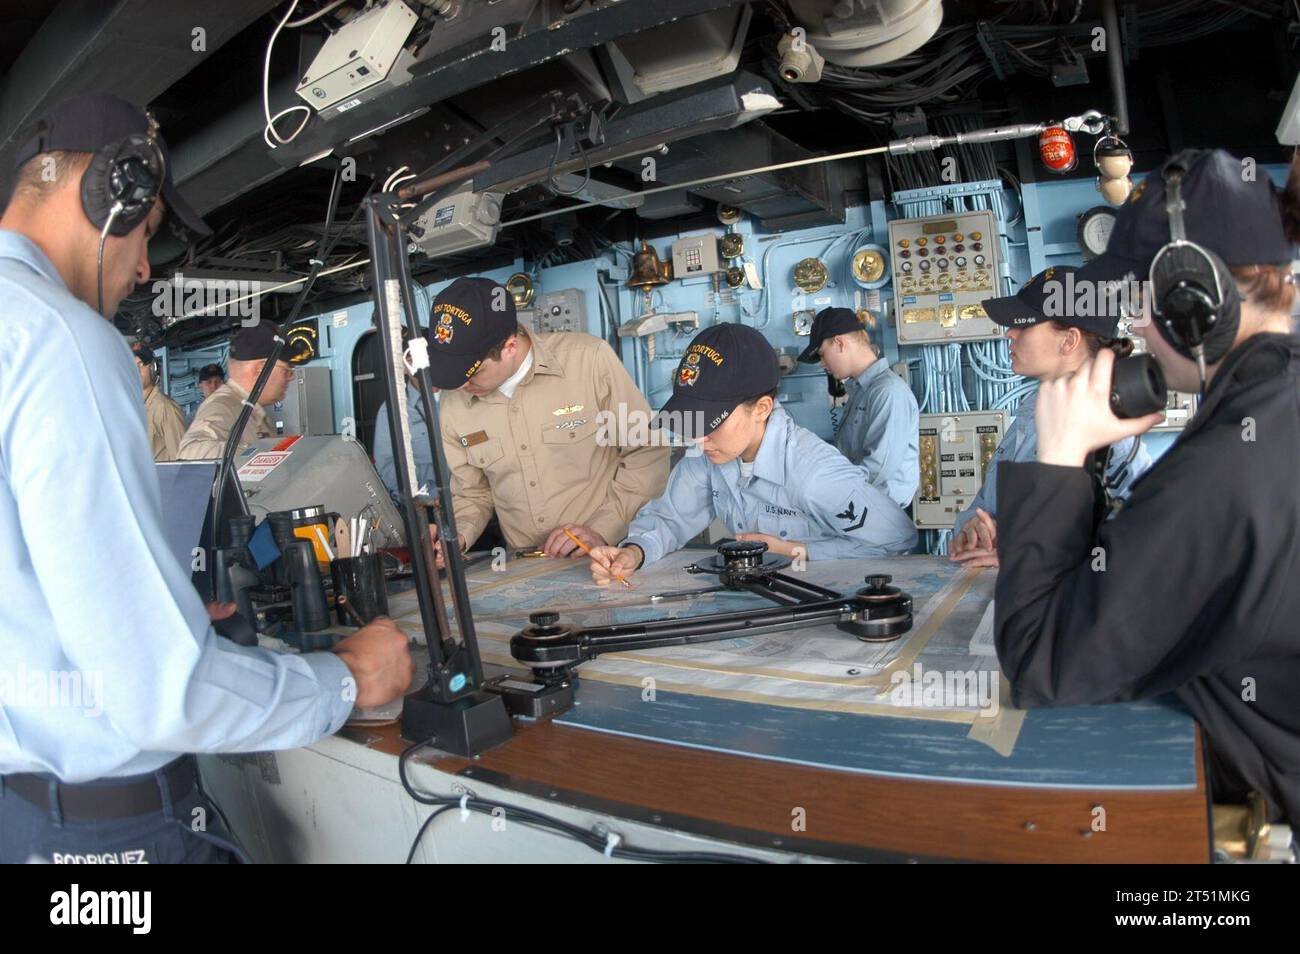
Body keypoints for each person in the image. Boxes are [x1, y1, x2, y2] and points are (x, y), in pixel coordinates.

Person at [0, 92, 412, 863]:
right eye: (148, 231)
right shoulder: (62, 340)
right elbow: (162, 693)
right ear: (111, 195)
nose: (145, 266)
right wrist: (347, 678)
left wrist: (161, 606)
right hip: (107, 836)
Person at [993, 148, 1300, 825]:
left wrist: (1061, 457)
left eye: (1137, 300)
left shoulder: (1229, 465)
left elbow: (1044, 666)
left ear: (1192, 297)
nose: (1131, 324)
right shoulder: (1273, 407)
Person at [588, 323, 917, 584]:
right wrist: (633, 552)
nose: (699, 438)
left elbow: (897, 541)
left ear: (761, 409)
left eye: (711, 423)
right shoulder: (708, 454)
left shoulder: (814, 474)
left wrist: (794, 550)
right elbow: (670, 520)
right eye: (692, 421)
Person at [426, 276, 669, 562]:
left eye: (471, 372)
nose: (459, 385)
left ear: (510, 346)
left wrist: (602, 529)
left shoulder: (589, 360)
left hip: (609, 557)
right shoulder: (455, 402)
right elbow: (473, 493)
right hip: (524, 569)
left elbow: (647, 452)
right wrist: (456, 536)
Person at [949, 264, 1153, 568]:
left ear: (1068, 340)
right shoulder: (1031, 412)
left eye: (1024, 325)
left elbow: (1140, 545)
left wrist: (1024, 551)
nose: (1010, 333)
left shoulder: (1110, 430)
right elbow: (983, 508)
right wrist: (972, 529)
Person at [797, 306, 919, 507]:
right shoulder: (862, 390)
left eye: (822, 354)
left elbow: (879, 468)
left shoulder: (887, 391)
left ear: (840, 343)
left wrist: (828, 494)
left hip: (878, 512)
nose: (823, 364)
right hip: (860, 504)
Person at [177, 321, 294, 459]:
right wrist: (257, 457)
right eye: (286, 371)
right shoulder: (223, 406)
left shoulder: (247, 407)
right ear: (259, 370)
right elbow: (191, 452)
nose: (291, 378)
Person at [132, 341, 187, 461]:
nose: (136, 370)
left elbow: (181, 461)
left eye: (141, 364)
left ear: (153, 368)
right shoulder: (132, 408)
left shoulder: (165, 408)